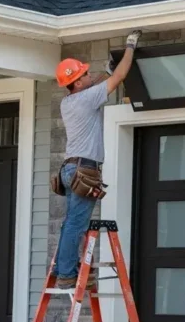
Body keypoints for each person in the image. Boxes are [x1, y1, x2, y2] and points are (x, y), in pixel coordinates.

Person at [51, 30, 142, 289]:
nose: (89, 76)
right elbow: (120, 76)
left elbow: (101, 80)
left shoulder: (69, 101)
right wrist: (130, 47)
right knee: (76, 225)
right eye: (85, 75)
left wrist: (105, 71)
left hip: (71, 169)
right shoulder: (86, 98)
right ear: (77, 83)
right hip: (84, 169)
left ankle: (63, 268)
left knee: (70, 223)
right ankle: (68, 274)